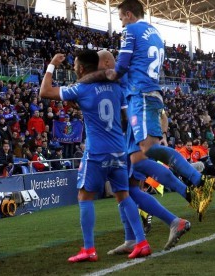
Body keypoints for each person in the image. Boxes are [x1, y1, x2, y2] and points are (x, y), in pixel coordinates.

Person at [80, 0, 215, 220]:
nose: (122, 24)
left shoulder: (131, 32)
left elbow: (121, 66)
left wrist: (109, 75)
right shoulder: (154, 32)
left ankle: (200, 181)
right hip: (147, 94)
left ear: (129, 14)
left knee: (148, 150)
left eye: (122, 18)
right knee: (138, 161)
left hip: (140, 96)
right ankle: (188, 196)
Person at [39, 50, 151, 262]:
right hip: (118, 148)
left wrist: (52, 64)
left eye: (74, 66)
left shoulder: (81, 88)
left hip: (96, 152)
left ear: (81, 68)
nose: (73, 69)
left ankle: (89, 249)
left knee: (84, 196)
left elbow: (44, 91)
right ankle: (141, 242)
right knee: (123, 196)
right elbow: (126, 116)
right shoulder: (116, 87)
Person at [97, 50, 191, 254]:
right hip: (133, 139)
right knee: (128, 190)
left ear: (106, 62)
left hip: (128, 142)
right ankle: (133, 237)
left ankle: (172, 220)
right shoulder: (130, 80)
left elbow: (128, 117)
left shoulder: (119, 80)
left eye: (96, 64)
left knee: (126, 191)